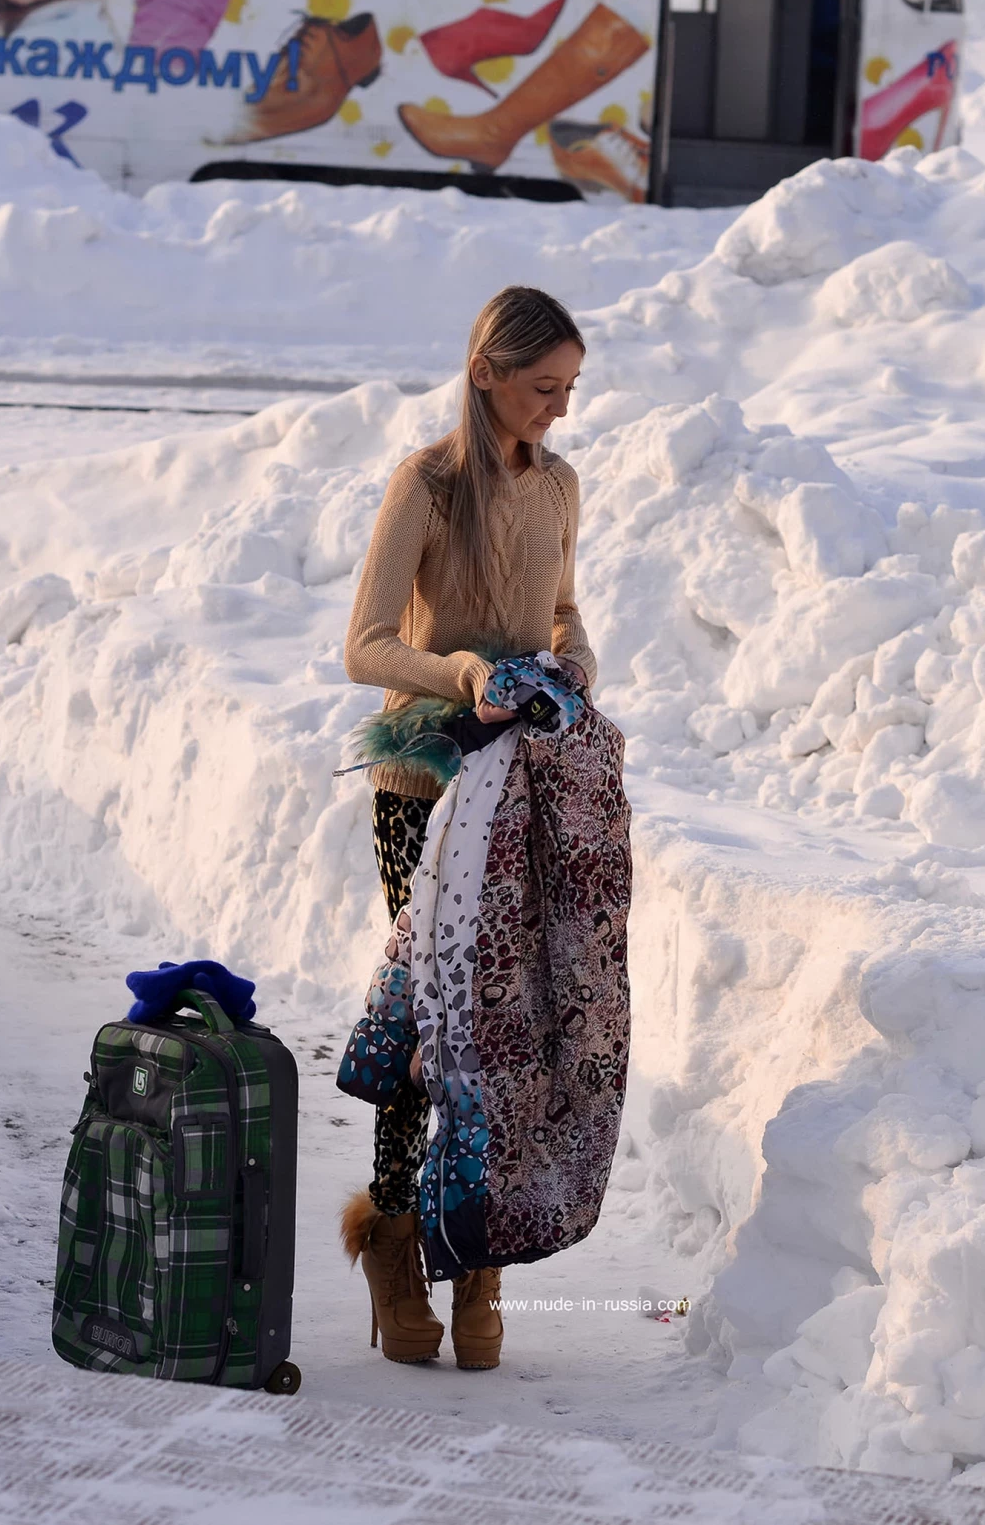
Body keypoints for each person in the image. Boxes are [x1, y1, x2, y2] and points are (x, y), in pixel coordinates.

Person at [338, 284, 598, 1371]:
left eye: (573, 389)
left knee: (508, 1025)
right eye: (546, 388)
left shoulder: (561, 485)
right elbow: (363, 644)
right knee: (429, 1018)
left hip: (523, 783)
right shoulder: (430, 483)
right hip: (424, 780)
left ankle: (478, 1253)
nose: (562, 410)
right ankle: (396, 1242)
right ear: (485, 371)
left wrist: (573, 658)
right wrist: (462, 672)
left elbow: (564, 609)